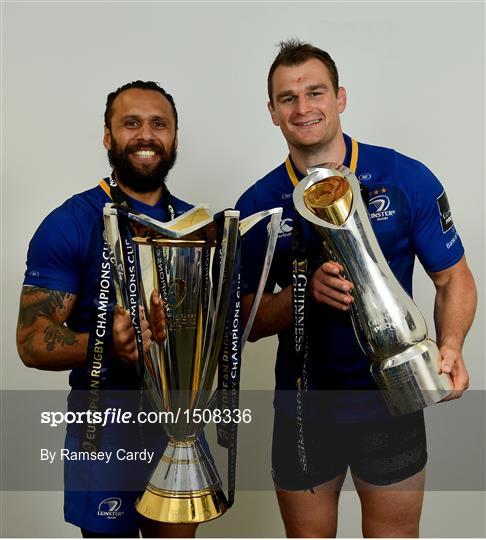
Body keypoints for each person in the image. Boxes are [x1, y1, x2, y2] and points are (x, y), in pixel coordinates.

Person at [236, 40, 477, 538]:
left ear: (340, 97)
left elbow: (453, 277)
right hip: (304, 408)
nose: (303, 107)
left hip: (392, 400)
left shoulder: (403, 178)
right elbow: (243, 322)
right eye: (288, 98)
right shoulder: (257, 205)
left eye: (315, 92)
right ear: (272, 112)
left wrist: (451, 345)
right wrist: (299, 294)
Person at [16, 81, 199, 538]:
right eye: (130, 123)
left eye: (159, 124)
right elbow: (30, 341)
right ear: (107, 136)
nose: (146, 135)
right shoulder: (71, 222)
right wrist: (105, 342)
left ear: (175, 136)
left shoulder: (199, 228)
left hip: (177, 421)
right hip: (104, 425)